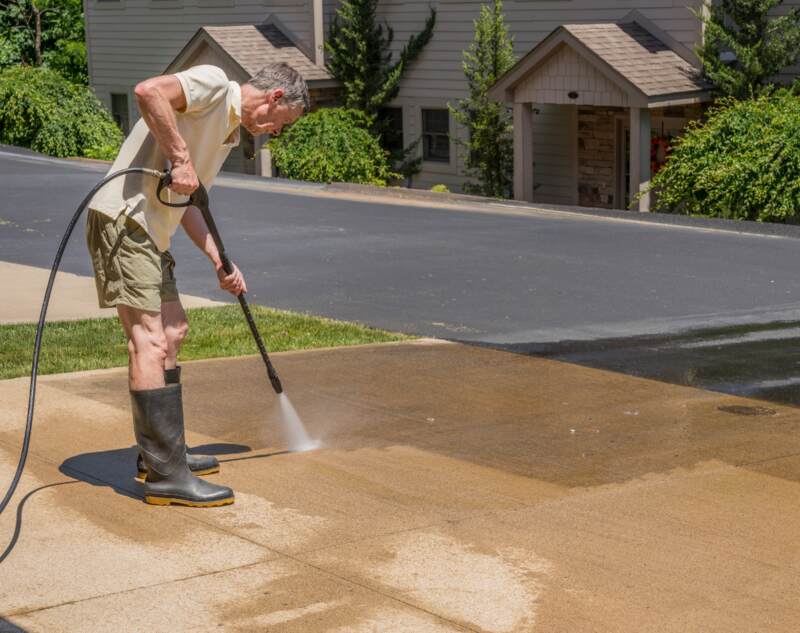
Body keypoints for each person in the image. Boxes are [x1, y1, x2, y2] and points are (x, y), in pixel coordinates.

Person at [85, 63, 309, 507]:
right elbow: (148, 90)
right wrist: (182, 159)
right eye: (280, 124)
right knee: (148, 341)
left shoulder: (225, 132)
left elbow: (187, 199)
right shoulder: (213, 84)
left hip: (151, 230)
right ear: (275, 97)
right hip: (125, 220)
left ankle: (164, 452)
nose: (273, 133)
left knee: (173, 333)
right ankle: (167, 475)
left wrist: (219, 261)